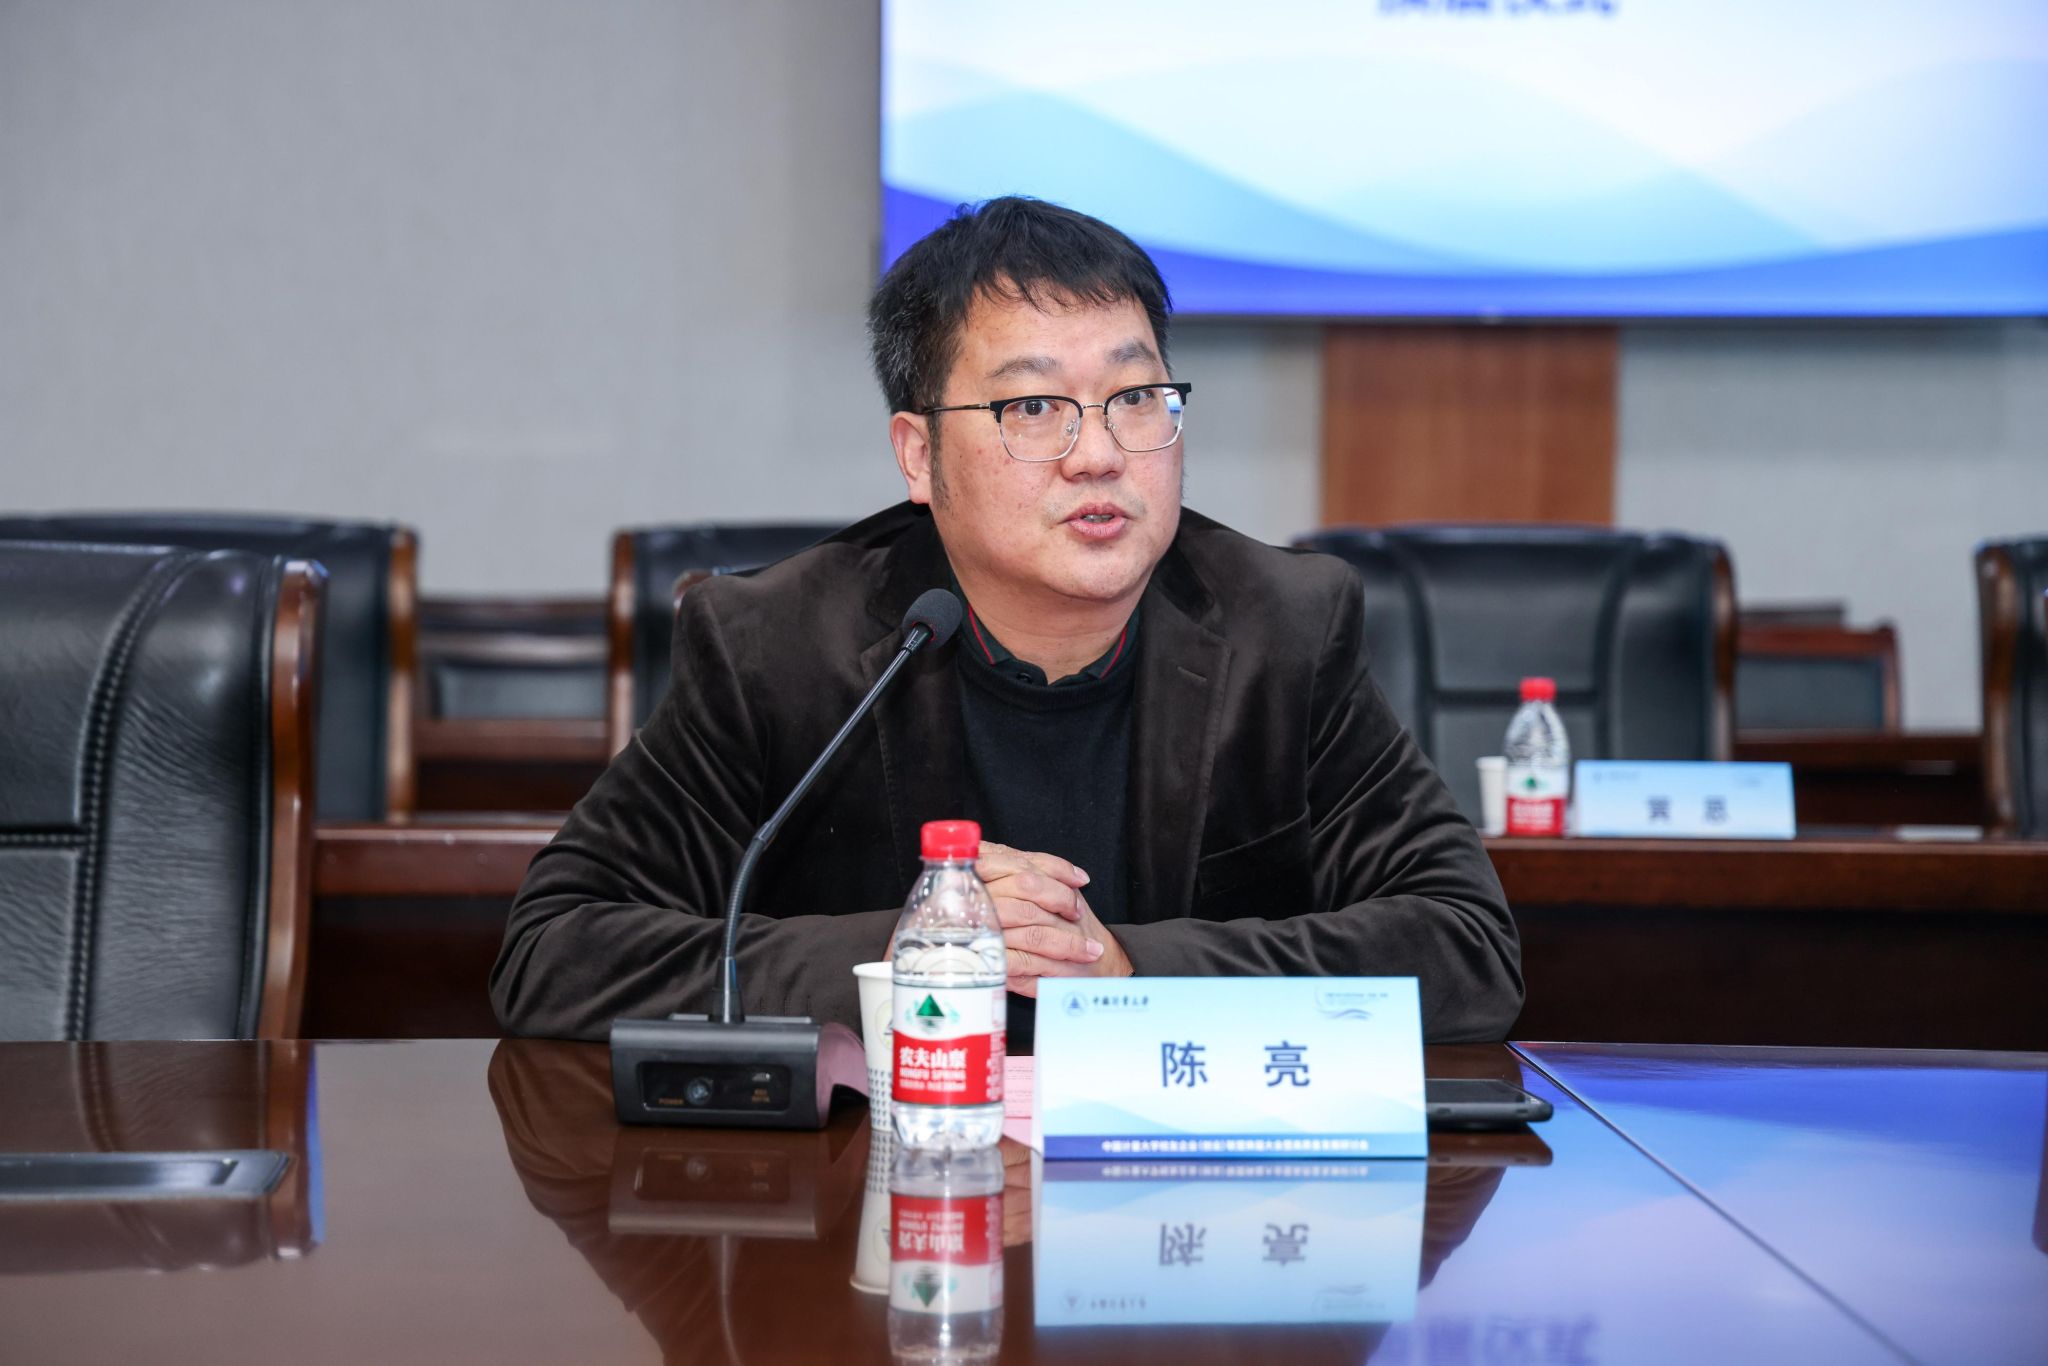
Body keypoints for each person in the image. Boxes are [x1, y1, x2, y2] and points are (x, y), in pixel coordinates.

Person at [491, 197, 1521, 1048]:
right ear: (917, 454)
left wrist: (1125, 968)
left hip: (1179, 1203)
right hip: (877, 1192)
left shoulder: (1280, 629)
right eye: (1032, 408)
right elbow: (552, 950)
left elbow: (1466, 947)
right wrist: (904, 956)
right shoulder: (776, 646)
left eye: (1136, 397)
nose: (1098, 455)